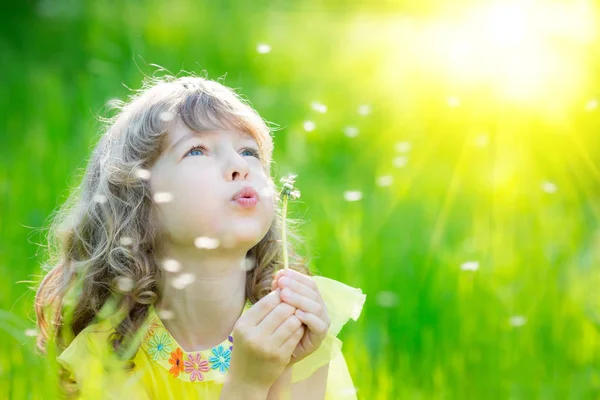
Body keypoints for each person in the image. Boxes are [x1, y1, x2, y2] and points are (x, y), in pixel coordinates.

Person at [34, 74, 366, 399]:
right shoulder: (106, 358)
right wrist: (248, 385)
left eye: (249, 151)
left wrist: (292, 367)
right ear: (138, 201)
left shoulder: (299, 328)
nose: (239, 164)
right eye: (197, 150)